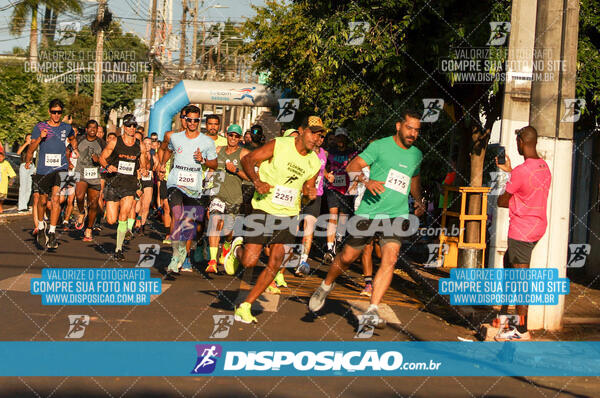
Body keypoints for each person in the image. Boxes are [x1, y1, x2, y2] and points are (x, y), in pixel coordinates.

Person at [308, 110, 425, 329]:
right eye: (409, 128)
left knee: (390, 258)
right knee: (347, 257)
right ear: (399, 126)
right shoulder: (380, 146)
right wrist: (366, 181)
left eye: (417, 130)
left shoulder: (416, 154)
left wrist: (419, 200)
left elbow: (415, 178)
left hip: (395, 214)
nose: (413, 134)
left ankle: (372, 309)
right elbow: (352, 167)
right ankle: (326, 285)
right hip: (370, 211)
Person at [224, 116, 323, 324]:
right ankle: (237, 249)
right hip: (263, 208)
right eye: (313, 133)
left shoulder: (314, 162)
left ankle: (246, 305)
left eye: (320, 135)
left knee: (276, 261)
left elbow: (306, 190)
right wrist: (257, 181)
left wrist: (308, 193)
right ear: (302, 130)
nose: (316, 138)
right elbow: (248, 160)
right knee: (250, 261)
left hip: (288, 214)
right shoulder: (280, 144)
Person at [495, 126, 551, 341]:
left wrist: (509, 177)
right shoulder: (543, 167)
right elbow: (528, 189)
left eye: (517, 141)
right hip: (537, 227)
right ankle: (503, 314)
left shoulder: (520, 172)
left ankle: (520, 329)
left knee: (520, 279)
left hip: (521, 230)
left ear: (521, 142)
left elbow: (502, 201)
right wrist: (509, 172)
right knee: (509, 264)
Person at [158, 105, 217, 278]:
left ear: (200, 121)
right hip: (175, 183)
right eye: (189, 119)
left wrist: (203, 160)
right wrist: (162, 164)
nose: (192, 123)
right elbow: (167, 151)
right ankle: (175, 255)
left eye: (196, 120)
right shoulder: (175, 137)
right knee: (176, 213)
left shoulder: (207, 142)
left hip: (195, 187)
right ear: (184, 119)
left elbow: (214, 164)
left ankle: (185, 253)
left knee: (189, 224)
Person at [25, 99, 78, 250]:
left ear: (61, 113)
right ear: (49, 112)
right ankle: (41, 227)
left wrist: (74, 148)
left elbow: (73, 138)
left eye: (59, 112)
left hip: (60, 168)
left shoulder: (66, 127)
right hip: (43, 169)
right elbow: (32, 147)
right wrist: (41, 138)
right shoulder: (40, 127)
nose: (56, 115)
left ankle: (53, 232)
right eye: (54, 112)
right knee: (42, 202)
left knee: (56, 199)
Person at [99, 114, 149, 260]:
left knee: (124, 214)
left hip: (129, 184)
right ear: (123, 127)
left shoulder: (139, 145)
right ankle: (124, 228)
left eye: (134, 126)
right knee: (111, 220)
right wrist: (107, 166)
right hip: (113, 183)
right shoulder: (115, 142)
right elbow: (102, 158)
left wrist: (144, 169)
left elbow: (144, 163)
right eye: (129, 125)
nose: (132, 128)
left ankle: (118, 249)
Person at [206, 124, 250, 273]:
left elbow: (250, 177)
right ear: (226, 135)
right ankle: (212, 261)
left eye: (236, 136)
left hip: (235, 197)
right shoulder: (218, 151)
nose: (233, 138)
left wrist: (236, 170)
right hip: (217, 193)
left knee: (228, 230)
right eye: (231, 135)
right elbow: (211, 168)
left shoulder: (244, 154)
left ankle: (227, 245)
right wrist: (206, 182)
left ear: (240, 138)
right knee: (214, 221)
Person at [295, 123, 328, 276]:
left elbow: (322, 169)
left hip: (316, 195)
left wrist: (328, 175)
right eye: (317, 135)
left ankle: (303, 260)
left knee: (309, 227)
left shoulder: (324, 154)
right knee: (293, 227)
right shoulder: (302, 152)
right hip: (296, 195)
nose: (320, 139)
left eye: (322, 137)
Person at [323, 127, 358, 263]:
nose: (340, 139)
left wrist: (355, 181)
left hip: (347, 188)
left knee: (343, 217)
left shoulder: (352, 152)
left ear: (346, 138)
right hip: (332, 187)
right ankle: (330, 248)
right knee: (332, 216)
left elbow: (357, 166)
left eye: (343, 137)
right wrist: (327, 174)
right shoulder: (330, 152)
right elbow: (323, 165)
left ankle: (338, 239)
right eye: (338, 137)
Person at [74, 120, 105, 241]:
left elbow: (105, 158)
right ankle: (81, 212)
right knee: (79, 196)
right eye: (90, 127)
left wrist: (98, 159)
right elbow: (68, 148)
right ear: (86, 129)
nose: (92, 129)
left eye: (95, 128)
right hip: (81, 173)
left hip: (94, 176)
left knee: (93, 205)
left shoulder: (101, 143)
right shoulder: (80, 139)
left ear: (97, 130)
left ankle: (89, 229)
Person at [16, 134, 35, 213]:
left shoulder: (34, 146)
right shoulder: (24, 146)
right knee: (23, 186)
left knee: (29, 186)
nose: (30, 139)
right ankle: (21, 206)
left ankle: (25, 204)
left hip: (32, 165)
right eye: (28, 138)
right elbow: (18, 152)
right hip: (24, 165)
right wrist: (26, 143)